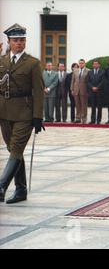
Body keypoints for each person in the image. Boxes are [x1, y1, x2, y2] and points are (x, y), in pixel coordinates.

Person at [0, 23, 45, 204]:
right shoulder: (2, 61)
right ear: (9, 42)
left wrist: (38, 116)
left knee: (17, 148)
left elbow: (39, 91)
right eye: (16, 40)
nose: (19, 43)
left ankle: (1, 186)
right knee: (14, 151)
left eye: (22, 40)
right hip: (4, 112)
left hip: (25, 113)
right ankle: (21, 190)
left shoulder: (33, 63)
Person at [71, 59, 90, 124]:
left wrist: (88, 91)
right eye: (80, 63)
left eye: (82, 63)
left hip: (84, 90)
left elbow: (88, 82)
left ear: (84, 64)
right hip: (76, 90)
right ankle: (78, 118)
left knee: (84, 105)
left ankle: (84, 118)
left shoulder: (88, 71)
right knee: (77, 105)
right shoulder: (75, 70)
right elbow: (73, 80)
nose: (81, 64)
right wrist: (72, 89)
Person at [87, 60, 105, 124]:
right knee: (93, 106)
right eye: (94, 64)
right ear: (93, 65)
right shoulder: (90, 72)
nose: (95, 65)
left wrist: (97, 87)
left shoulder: (102, 72)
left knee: (99, 107)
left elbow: (103, 81)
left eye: (97, 64)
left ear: (99, 65)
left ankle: (98, 120)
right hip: (92, 92)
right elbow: (88, 81)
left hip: (99, 92)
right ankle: (93, 120)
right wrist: (92, 87)